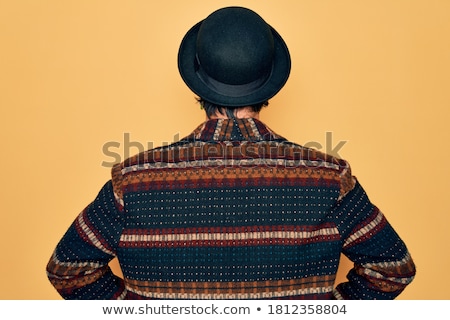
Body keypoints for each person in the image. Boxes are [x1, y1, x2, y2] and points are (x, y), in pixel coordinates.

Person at [46, 6, 415, 300]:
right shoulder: (327, 176)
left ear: (199, 81)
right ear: (268, 81)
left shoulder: (133, 180)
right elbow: (392, 268)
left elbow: (68, 269)